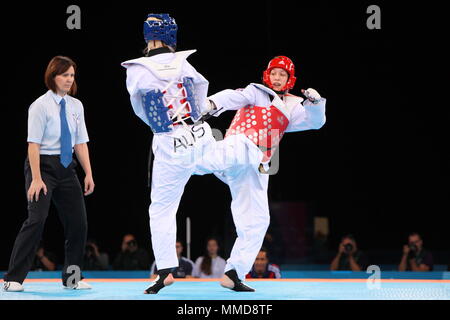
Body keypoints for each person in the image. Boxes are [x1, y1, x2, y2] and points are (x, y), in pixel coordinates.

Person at [194, 56, 326, 291]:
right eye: (274, 73)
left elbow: (315, 123)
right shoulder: (257, 92)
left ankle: (233, 272)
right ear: (267, 75)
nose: (277, 78)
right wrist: (210, 104)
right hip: (239, 147)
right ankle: (184, 157)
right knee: (221, 154)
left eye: (282, 75)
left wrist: (316, 104)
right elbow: (232, 97)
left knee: (258, 220)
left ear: (290, 79)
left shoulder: (294, 106)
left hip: (256, 166)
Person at [121, 13, 215, 294]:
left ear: (149, 37)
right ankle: (255, 153)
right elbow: (201, 86)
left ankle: (165, 271)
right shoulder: (183, 62)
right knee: (238, 173)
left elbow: (139, 107)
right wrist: (194, 117)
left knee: (162, 209)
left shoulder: (137, 69)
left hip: (169, 143)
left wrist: (160, 126)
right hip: (199, 136)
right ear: (170, 37)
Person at [3, 56, 94, 292]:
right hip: (41, 166)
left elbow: (81, 143)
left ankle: (72, 278)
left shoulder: (76, 106)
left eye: (72, 75)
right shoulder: (40, 106)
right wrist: (36, 178)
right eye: (64, 75)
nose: (68, 79)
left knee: (78, 223)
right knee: (37, 219)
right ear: (53, 76)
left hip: (67, 167)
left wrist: (88, 174)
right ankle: (13, 278)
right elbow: (33, 145)